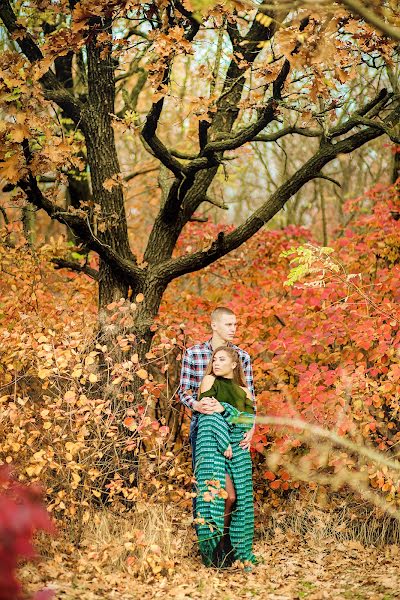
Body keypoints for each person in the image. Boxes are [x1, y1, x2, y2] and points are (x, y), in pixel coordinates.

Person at [194, 346, 257, 569]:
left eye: (221, 359)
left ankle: (231, 547)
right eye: (214, 359)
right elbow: (209, 414)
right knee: (223, 496)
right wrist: (224, 440)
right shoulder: (210, 382)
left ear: (234, 364)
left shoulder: (244, 390)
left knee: (239, 499)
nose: (216, 363)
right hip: (216, 446)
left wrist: (250, 430)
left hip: (237, 450)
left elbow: (247, 419)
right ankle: (217, 546)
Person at [178, 307, 256, 470]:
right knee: (207, 480)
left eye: (235, 324)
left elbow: (250, 397)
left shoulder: (242, 357)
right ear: (214, 325)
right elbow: (183, 392)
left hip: (235, 426)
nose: (233, 329)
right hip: (204, 425)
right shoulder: (193, 354)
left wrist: (251, 427)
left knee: (238, 484)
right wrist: (196, 405)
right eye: (228, 324)